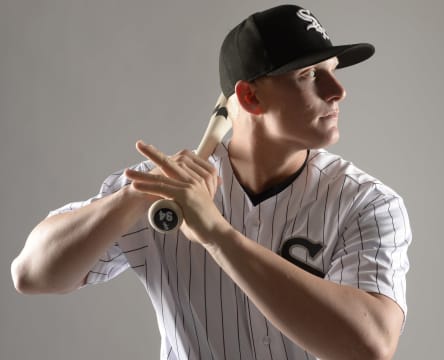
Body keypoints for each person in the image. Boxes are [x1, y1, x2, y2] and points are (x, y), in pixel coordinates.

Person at [11, 4, 411, 360]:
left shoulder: (367, 202)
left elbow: (369, 346)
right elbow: (31, 274)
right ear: (250, 98)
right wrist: (137, 192)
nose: (338, 92)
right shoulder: (165, 190)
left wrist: (217, 235)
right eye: (309, 74)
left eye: (333, 72)